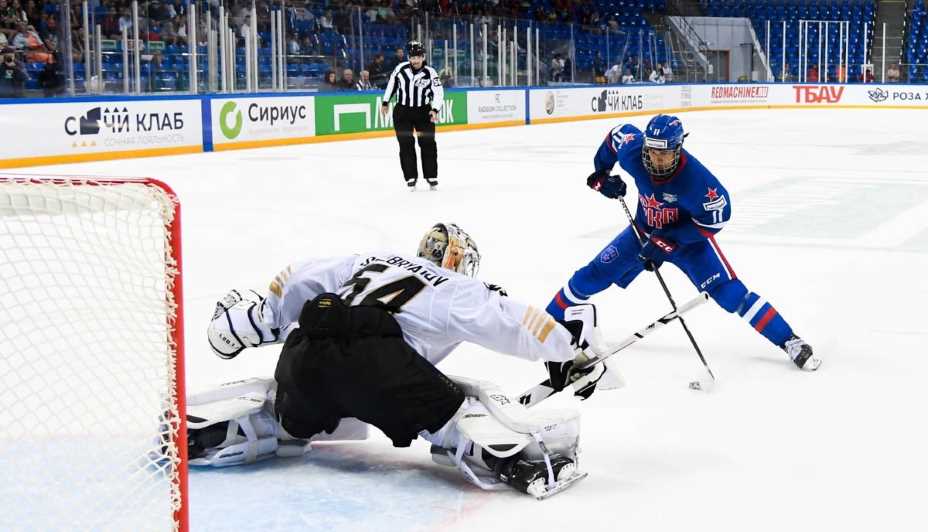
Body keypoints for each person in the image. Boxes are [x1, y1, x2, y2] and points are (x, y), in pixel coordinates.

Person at [192, 223, 622, 498]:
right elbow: (508, 319)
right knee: (461, 407)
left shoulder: (367, 261)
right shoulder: (451, 284)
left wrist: (260, 318)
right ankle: (512, 458)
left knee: (288, 415)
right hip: (378, 367)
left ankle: (224, 433)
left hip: (304, 355)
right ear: (458, 260)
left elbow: (298, 277)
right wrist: (570, 351)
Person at [547, 115, 822, 372]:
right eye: (653, 150)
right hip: (643, 231)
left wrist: (668, 241)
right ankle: (545, 323)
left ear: (678, 148)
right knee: (592, 275)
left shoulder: (698, 183)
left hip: (688, 241)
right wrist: (601, 177)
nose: (657, 158)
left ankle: (789, 340)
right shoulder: (634, 152)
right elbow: (615, 136)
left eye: (665, 152)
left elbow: (714, 221)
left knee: (731, 296)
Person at [380, 40, 444, 191]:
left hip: (423, 113)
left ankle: (431, 176)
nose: (415, 60)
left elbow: (438, 92)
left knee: (427, 143)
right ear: (408, 57)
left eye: (418, 57)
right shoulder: (400, 69)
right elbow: (391, 85)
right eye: (412, 57)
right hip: (403, 113)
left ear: (423, 57)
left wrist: (434, 109)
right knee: (406, 143)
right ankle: (410, 177)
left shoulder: (430, 72)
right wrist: (385, 102)